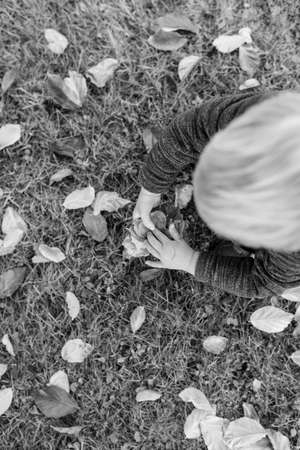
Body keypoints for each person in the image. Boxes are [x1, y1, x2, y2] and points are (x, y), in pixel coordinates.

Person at [133, 90, 300, 298]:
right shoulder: (255, 118)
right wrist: (151, 188)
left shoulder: (293, 250)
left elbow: (262, 282)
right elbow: (189, 131)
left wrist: (191, 261)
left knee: (287, 284)